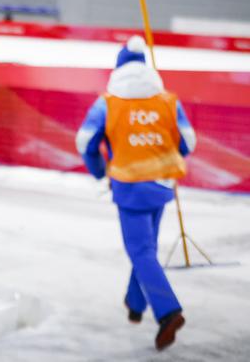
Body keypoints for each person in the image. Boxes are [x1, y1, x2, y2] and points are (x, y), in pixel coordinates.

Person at [75, 36, 196, 351]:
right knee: (146, 247)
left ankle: (168, 311)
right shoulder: (168, 100)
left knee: (140, 251)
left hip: (129, 186)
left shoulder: (108, 101)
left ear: (117, 68)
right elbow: (188, 141)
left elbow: (84, 141)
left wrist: (100, 170)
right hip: (162, 185)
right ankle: (135, 302)